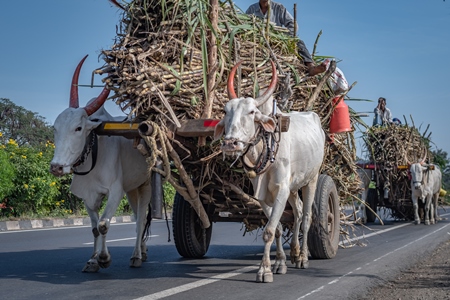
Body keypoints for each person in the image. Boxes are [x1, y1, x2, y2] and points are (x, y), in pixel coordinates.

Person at [246, 0, 326, 76]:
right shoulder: (251, 9)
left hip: (276, 40)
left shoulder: (278, 7)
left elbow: (293, 25)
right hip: (258, 41)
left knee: (299, 42)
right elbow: (245, 26)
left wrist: (282, 36)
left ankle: (310, 66)